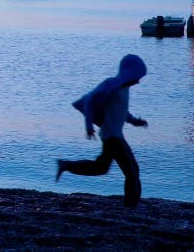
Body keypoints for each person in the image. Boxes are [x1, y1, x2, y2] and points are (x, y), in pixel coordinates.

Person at [56, 54, 149, 208]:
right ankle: (131, 205)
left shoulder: (123, 89)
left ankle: (66, 165)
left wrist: (134, 121)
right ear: (130, 73)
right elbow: (90, 100)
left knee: (101, 167)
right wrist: (88, 125)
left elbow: (120, 110)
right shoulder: (112, 85)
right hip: (113, 137)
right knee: (132, 172)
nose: (138, 81)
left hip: (113, 136)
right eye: (137, 76)